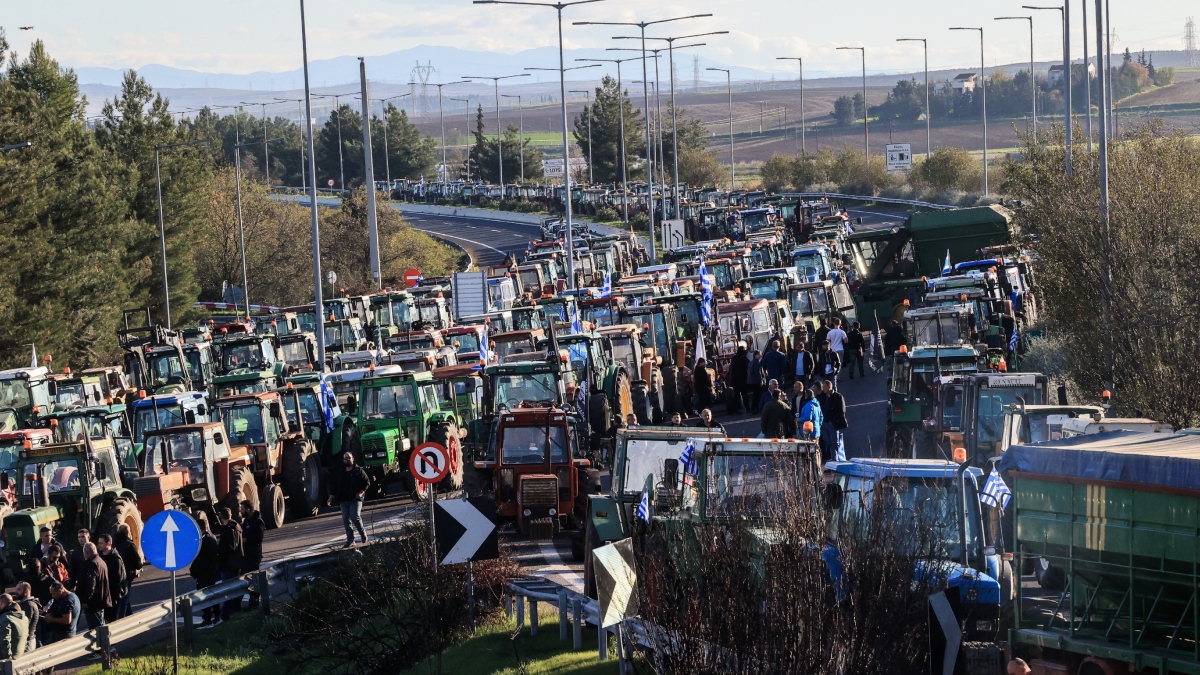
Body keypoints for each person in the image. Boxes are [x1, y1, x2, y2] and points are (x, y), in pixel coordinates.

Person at [327, 451, 370, 548]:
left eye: (349, 457)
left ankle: (362, 533)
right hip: (344, 500)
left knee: (355, 516)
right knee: (346, 519)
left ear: (353, 459)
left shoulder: (359, 471)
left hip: (355, 498)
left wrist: (361, 492)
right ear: (343, 460)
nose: (347, 459)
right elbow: (335, 486)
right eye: (345, 458)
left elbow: (367, 482)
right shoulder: (341, 472)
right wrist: (331, 497)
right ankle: (350, 540)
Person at [191, 517, 220, 628]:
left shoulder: (203, 541)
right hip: (211, 572)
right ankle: (216, 615)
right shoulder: (212, 537)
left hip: (204, 574)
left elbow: (200, 559)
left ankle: (207, 618)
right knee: (213, 594)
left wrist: (195, 571)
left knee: (203, 597)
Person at [215, 508, 243, 621]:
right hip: (234, 563)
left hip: (229, 564)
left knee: (228, 590)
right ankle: (233, 609)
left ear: (222, 517)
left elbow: (230, 547)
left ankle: (226, 613)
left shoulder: (230, 529)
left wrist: (218, 549)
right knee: (233, 588)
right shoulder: (235, 527)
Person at [75, 542, 110, 630]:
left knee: (96, 627)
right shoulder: (100, 561)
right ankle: (104, 642)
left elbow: (91, 584)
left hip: (94, 602)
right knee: (101, 624)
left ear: (86, 553)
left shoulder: (92, 564)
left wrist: (86, 600)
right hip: (101, 598)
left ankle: (102, 643)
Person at [113, 524, 142, 619]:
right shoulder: (129, 545)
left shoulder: (114, 544)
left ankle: (130, 616)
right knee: (124, 599)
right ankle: (120, 620)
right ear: (128, 533)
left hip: (116, 575)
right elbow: (137, 563)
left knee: (125, 597)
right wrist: (139, 565)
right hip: (127, 575)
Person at [94, 535, 125, 625]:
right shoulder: (99, 557)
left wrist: (114, 596)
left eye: (101, 543)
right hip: (103, 594)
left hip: (112, 595)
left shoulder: (115, 559)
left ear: (108, 544)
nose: (98, 545)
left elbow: (117, 579)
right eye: (98, 543)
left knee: (112, 619)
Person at [240, 501, 265, 610]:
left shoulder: (258, 522)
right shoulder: (246, 521)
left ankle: (254, 603)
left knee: (254, 579)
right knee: (245, 578)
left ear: (248, 509)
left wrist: (246, 540)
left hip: (254, 555)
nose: (241, 511)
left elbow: (258, 538)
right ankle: (250, 602)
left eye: (242, 509)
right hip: (246, 555)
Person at [818, 380, 848, 459]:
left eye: (824, 387)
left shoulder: (837, 396)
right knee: (828, 443)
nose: (823, 389)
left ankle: (841, 458)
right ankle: (834, 459)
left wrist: (833, 421)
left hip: (832, 424)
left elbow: (842, 410)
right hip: (825, 423)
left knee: (835, 443)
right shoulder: (824, 397)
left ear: (829, 387)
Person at [12, 583, 39, 653]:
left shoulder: (28, 605)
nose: (16, 592)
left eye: (19, 590)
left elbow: (25, 625)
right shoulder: (25, 604)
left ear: (26, 591)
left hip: (27, 642)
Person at [0, 594, 27, 660]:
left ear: (1, 603)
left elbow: (5, 640)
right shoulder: (23, 617)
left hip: (9, 658)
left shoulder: (6, 618)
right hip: (19, 654)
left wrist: (7, 658)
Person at [728, 344, 749, 414]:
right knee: (744, 395)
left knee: (736, 395)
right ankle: (748, 408)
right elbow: (746, 369)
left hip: (735, 380)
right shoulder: (743, 359)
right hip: (742, 380)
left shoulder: (734, 358)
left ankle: (734, 409)